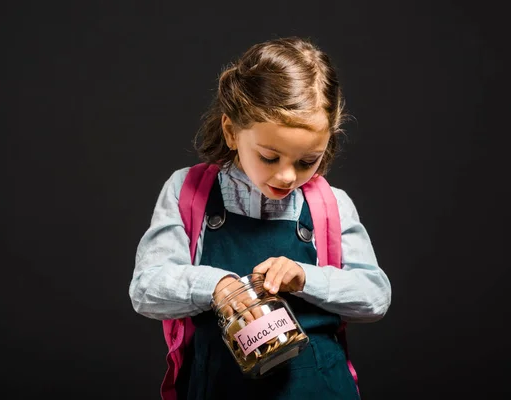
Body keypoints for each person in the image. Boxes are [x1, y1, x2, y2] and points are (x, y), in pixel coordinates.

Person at [129, 36, 392, 400]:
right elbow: (145, 289)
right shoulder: (187, 192)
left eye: (307, 161)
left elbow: (375, 296)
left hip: (316, 388)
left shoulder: (331, 203)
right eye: (270, 157)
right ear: (231, 132)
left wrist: (305, 278)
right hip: (219, 385)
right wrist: (218, 286)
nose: (287, 176)